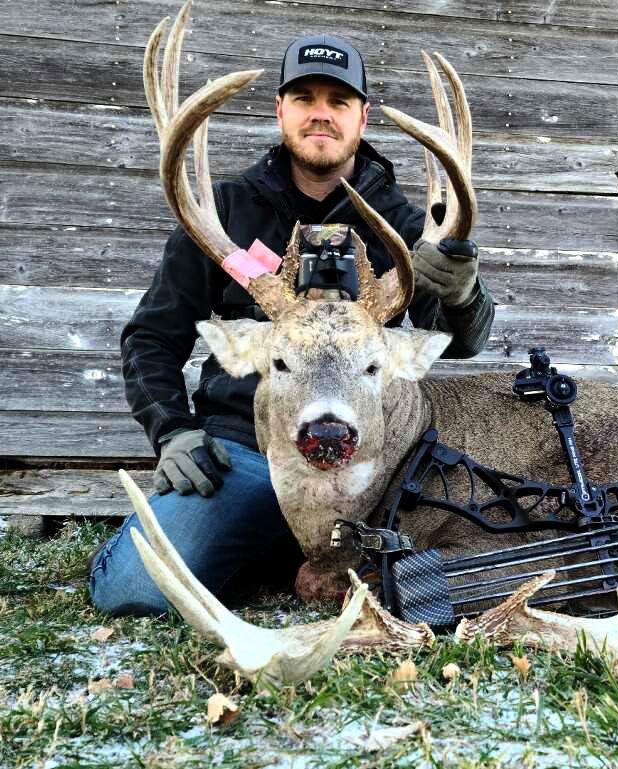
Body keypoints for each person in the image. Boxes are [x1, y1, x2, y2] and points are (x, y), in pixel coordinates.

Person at [89, 34, 494, 615]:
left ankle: (285, 556)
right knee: (132, 592)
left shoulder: (407, 225)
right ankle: (267, 545)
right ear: (281, 109)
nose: (321, 113)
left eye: (338, 100)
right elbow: (152, 338)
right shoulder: (224, 212)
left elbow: (459, 341)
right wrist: (173, 431)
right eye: (304, 97)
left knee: (443, 582)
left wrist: (462, 293)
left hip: (372, 466)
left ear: (363, 116)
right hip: (247, 454)